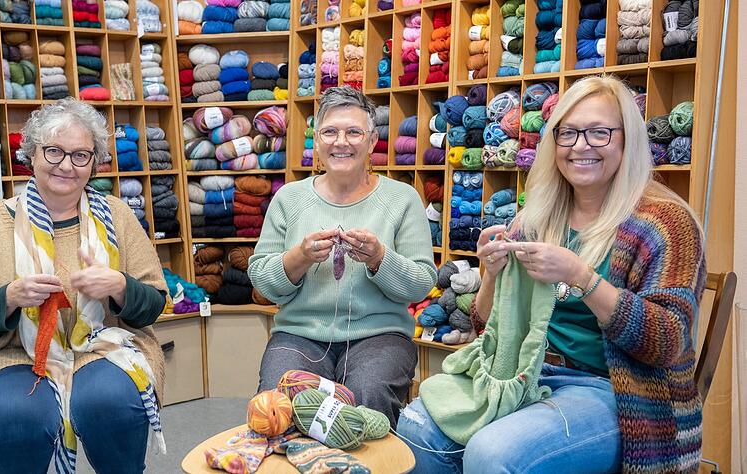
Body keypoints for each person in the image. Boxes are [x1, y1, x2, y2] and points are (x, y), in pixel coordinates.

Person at [396, 75, 706, 473]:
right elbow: (486, 324)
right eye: (569, 133)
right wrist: (491, 274)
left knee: (494, 454)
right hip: (527, 375)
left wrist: (582, 276)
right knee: (417, 425)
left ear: (627, 140)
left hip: (619, 393)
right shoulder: (538, 219)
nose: (581, 146)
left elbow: (667, 341)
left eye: (599, 133)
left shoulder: (665, 223)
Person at [0, 98, 168, 474]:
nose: (66, 165)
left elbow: (153, 305)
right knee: (11, 416)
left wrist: (120, 286)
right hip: (12, 355)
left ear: (94, 163)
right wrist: (9, 298)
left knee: (110, 402)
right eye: (54, 151)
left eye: (81, 155)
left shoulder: (117, 215)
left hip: (103, 347)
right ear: (31, 153)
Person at [248, 86, 437, 426]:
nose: (341, 142)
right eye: (330, 132)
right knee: (277, 402)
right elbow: (263, 281)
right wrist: (300, 258)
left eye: (353, 132)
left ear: (372, 140)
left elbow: (421, 284)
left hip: (380, 335)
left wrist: (380, 258)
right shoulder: (289, 199)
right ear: (317, 141)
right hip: (299, 334)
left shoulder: (402, 199)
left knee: (368, 395)